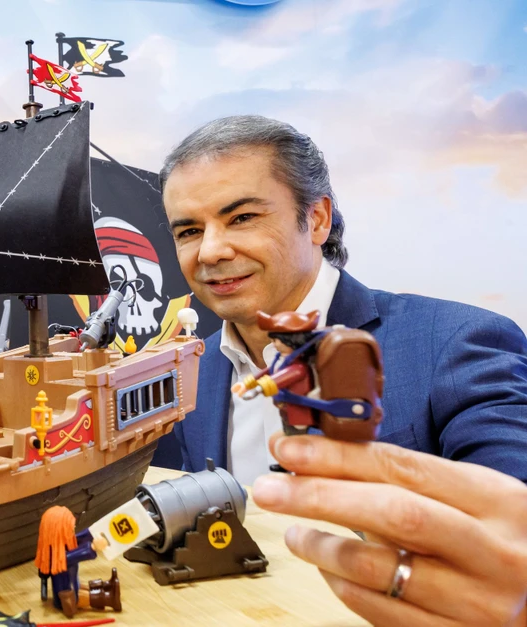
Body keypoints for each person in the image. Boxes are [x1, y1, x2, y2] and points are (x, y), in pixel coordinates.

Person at [155, 114, 527, 625]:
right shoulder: (190, 371)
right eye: (190, 231)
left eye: (241, 217)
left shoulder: (457, 341)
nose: (211, 251)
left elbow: (511, 521)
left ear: (317, 220)